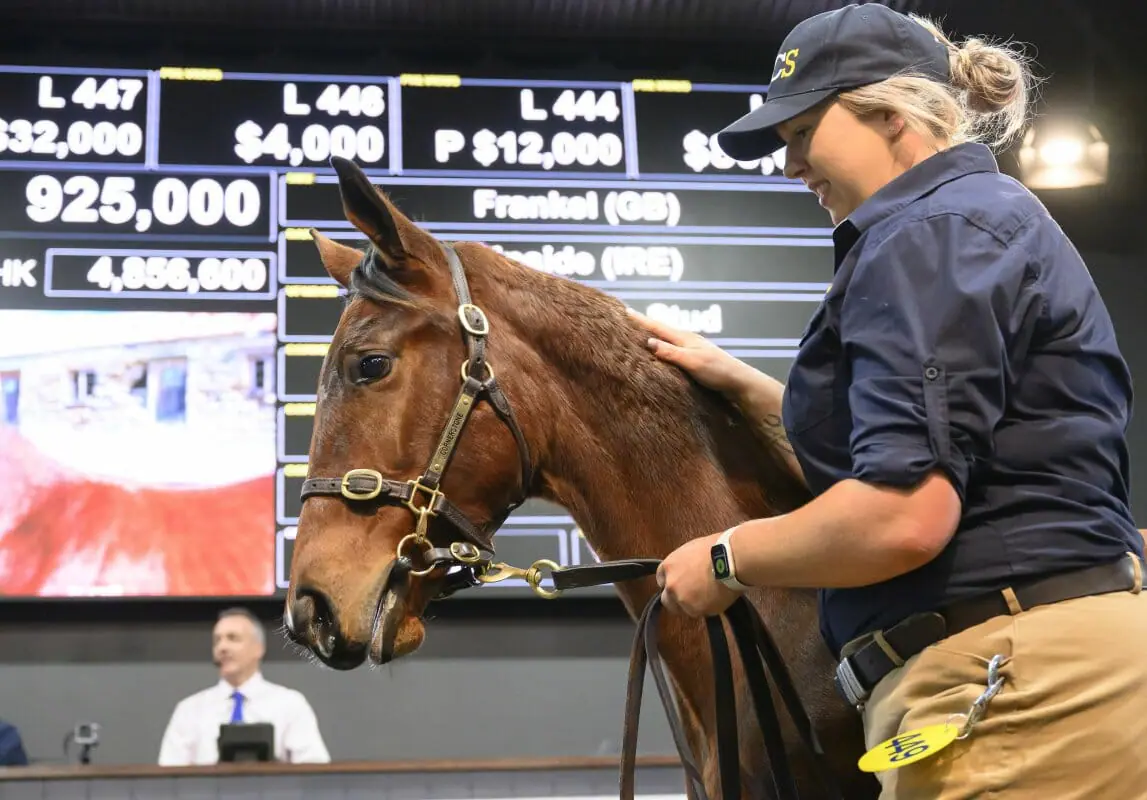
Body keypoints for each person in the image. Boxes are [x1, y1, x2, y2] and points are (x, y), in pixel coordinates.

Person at [633, 4, 1147, 798]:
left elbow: (904, 517)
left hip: (1017, 691)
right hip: (1035, 674)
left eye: (803, 132)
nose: (789, 164)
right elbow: (965, 442)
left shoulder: (921, 234)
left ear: (890, 114)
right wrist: (752, 389)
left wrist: (727, 557)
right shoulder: (974, 220)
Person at [158, 607, 330, 766]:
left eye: (233, 638)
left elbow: (315, 770)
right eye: (217, 640)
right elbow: (168, 777)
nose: (222, 647)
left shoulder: (290, 704)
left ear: (258, 648)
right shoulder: (189, 711)